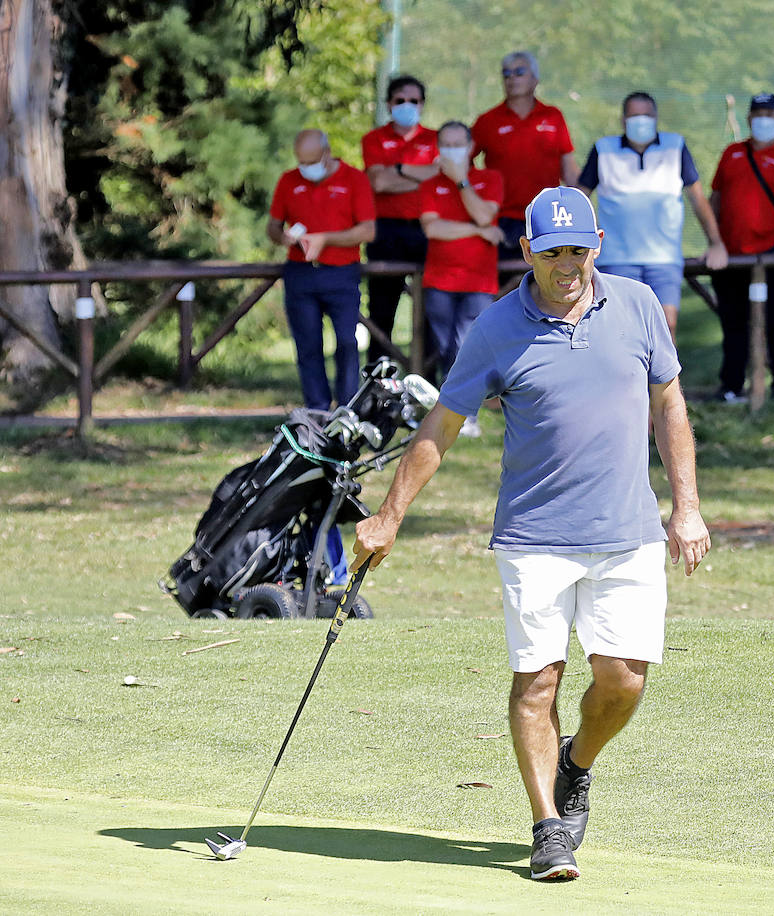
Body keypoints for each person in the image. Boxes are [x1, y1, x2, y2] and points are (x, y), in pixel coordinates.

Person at [350, 186, 710, 882]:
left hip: (627, 531)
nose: (567, 264)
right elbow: (442, 426)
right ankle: (549, 828)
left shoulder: (636, 306)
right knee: (537, 681)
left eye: (578, 249)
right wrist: (389, 514)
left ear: (596, 245)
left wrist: (685, 506)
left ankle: (577, 762)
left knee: (624, 680)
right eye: (551, 252)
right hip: (534, 536)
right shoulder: (494, 327)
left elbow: (669, 407)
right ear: (527, 252)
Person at [576, 91, 729, 341]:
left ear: (656, 117)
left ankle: (663, 382)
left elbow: (698, 199)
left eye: (646, 115)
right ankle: (624, 382)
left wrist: (716, 243)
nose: (641, 121)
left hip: (664, 260)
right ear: (622, 119)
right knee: (619, 332)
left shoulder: (676, 146)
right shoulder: (603, 149)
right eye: (634, 115)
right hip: (616, 259)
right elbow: (580, 198)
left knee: (666, 328)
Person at [708, 93, 774, 402]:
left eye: (769, 113)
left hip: (771, 258)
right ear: (749, 118)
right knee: (733, 322)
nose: (763, 119)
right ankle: (731, 386)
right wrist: (715, 239)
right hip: (731, 255)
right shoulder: (732, 153)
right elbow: (715, 196)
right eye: (757, 113)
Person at [267, 129, 376, 411]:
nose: (306, 168)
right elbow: (273, 226)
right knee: (307, 346)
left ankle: (348, 407)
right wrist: (285, 237)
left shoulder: (354, 179)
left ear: (327, 154)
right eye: (301, 162)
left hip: (341, 272)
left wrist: (325, 238)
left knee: (346, 342)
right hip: (300, 272)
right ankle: (317, 408)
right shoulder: (289, 180)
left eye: (312, 161)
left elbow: (367, 230)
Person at [418, 120, 504, 437]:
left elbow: (485, 214)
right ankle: (450, 410)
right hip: (439, 280)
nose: (451, 150)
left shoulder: (490, 179)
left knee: (465, 345)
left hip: (479, 282)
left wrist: (462, 182)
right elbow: (433, 228)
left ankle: (465, 413)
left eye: (458, 144)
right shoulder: (429, 185)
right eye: (446, 144)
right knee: (445, 348)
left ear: (470, 147)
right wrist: (478, 231)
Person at [362, 75, 440, 365]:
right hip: (386, 232)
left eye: (413, 101)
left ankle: (430, 389)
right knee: (382, 315)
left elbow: (443, 177)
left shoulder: (435, 140)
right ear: (388, 104)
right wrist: (423, 175)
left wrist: (398, 170)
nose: (406, 106)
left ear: (422, 104)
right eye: (400, 100)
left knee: (432, 314)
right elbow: (378, 182)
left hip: (427, 231)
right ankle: (376, 396)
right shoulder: (374, 139)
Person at [471, 51, 579, 259]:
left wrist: (581, 206)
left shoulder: (553, 116)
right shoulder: (487, 120)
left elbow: (570, 170)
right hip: (503, 219)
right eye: (506, 74)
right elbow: (462, 165)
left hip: (547, 215)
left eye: (519, 72)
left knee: (547, 279)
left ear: (535, 79)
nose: (512, 78)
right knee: (504, 284)